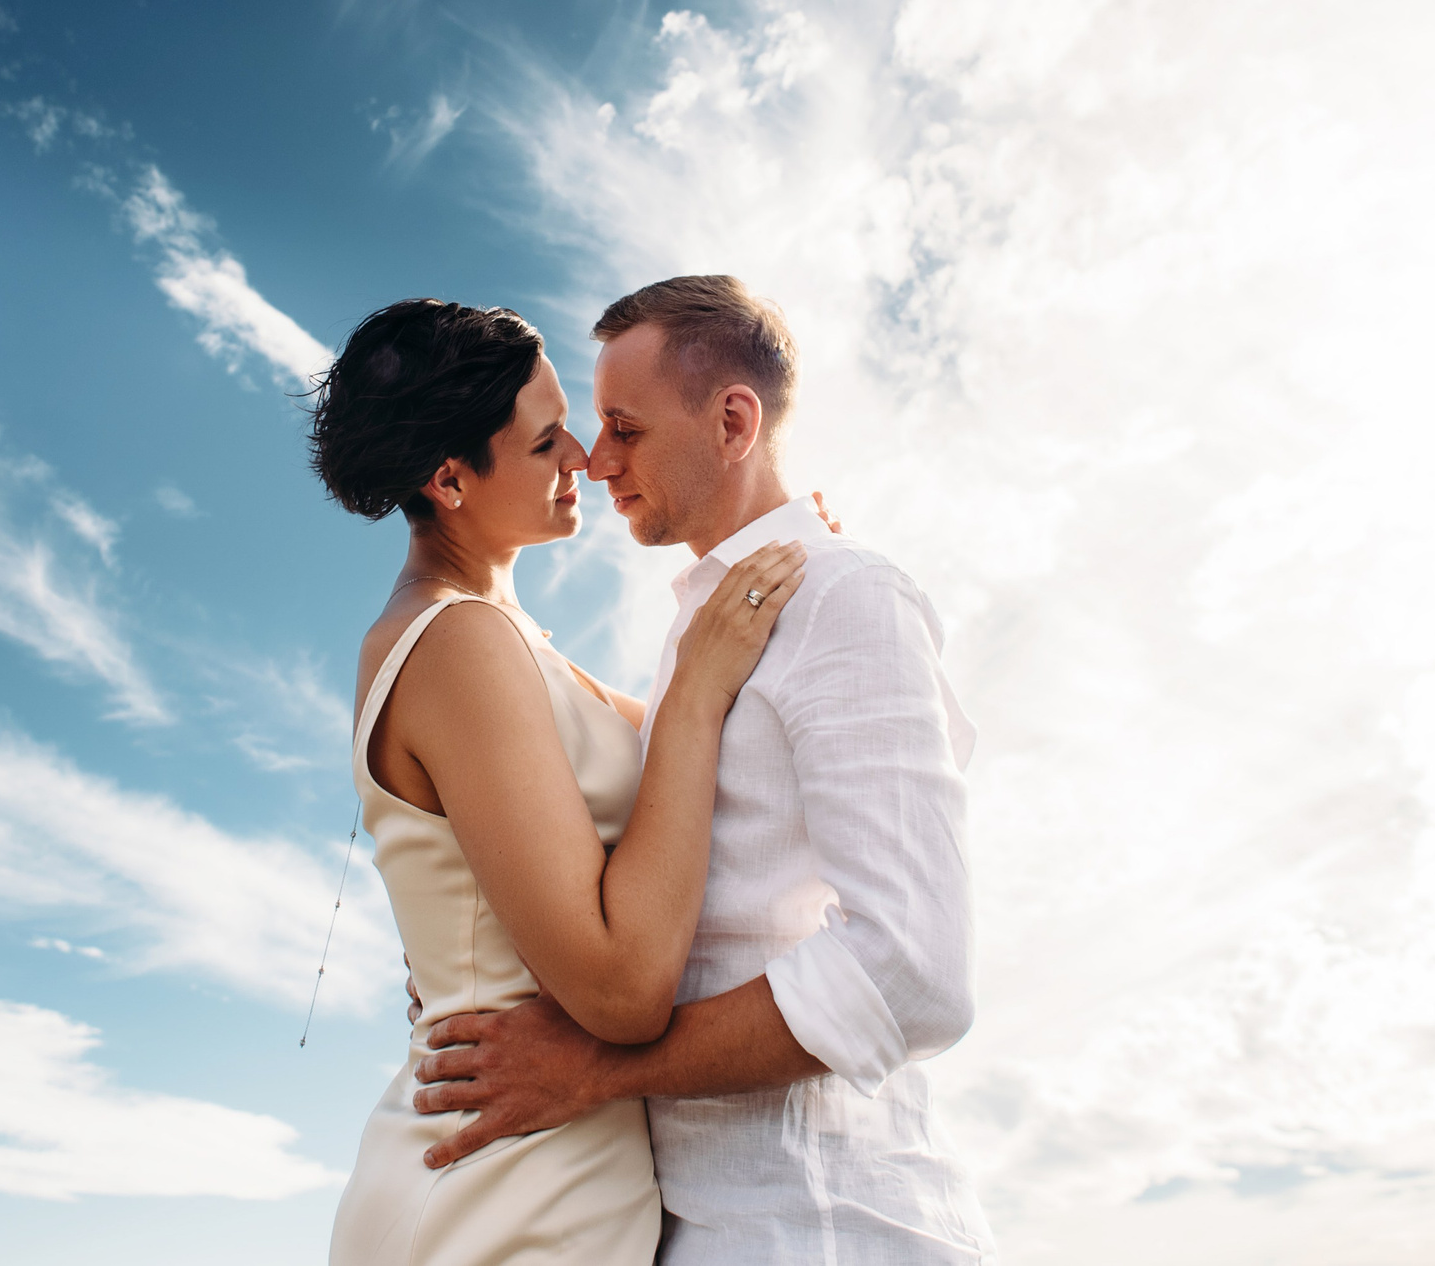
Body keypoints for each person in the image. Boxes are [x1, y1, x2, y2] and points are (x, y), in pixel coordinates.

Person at [405, 275, 995, 1264]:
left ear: (732, 421)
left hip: (826, 1227)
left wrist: (595, 1069)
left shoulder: (846, 598)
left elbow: (914, 971)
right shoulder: (706, 630)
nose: (596, 462)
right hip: (706, 1224)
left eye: (625, 429)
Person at [312, 297, 811, 1266]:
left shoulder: (508, 641)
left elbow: (699, 730)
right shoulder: (456, 644)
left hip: (540, 1182)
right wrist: (701, 683)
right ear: (450, 480)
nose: (583, 456)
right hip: (500, 1197)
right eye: (545, 442)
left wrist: (780, 543)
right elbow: (622, 990)